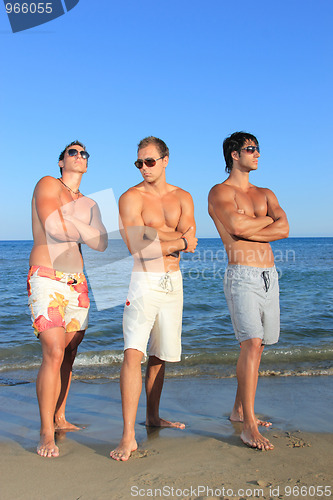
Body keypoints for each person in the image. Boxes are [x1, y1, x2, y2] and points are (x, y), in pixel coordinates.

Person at [110, 136, 198, 461]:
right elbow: (138, 247)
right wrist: (176, 240)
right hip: (143, 281)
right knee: (134, 352)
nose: (144, 168)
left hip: (173, 281)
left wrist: (157, 238)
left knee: (160, 355)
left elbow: (192, 241)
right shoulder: (131, 197)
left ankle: (152, 416)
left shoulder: (183, 197)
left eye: (149, 161)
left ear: (165, 160)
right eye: (139, 162)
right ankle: (127, 436)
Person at [208, 131, 289, 450]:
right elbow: (236, 228)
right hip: (242, 273)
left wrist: (251, 225)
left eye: (257, 149)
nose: (257, 154)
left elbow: (285, 228)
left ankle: (240, 410)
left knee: (261, 346)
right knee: (251, 344)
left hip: (270, 274)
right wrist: (265, 223)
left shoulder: (266, 192)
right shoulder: (219, 191)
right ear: (234, 155)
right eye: (251, 149)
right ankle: (249, 426)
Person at [27, 141, 107, 458]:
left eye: (84, 153)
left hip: (78, 282)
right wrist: (81, 227)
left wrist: (70, 222)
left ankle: (60, 417)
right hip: (47, 275)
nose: (79, 157)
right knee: (54, 350)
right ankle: (46, 432)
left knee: (69, 352)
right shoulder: (48, 183)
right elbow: (52, 226)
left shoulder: (91, 203)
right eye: (73, 152)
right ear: (62, 161)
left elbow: (101, 243)